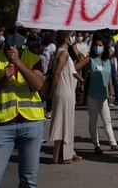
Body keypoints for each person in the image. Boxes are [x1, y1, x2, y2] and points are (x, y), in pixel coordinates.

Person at [0, 38, 45, 187]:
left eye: (21, 32)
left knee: (29, 182)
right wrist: (3, 79)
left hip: (32, 124)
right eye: (11, 32)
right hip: (1, 127)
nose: (16, 36)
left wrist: (18, 62)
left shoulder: (33, 58)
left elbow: (38, 84)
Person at [75, 33, 118, 154]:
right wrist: (82, 80)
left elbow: (110, 79)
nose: (98, 47)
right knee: (93, 121)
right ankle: (96, 145)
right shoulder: (89, 59)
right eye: (96, 45)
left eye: (100, 45)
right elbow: (74, 68)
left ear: (105, 47)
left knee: (107, 121)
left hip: (104, 95)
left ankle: (113, 144)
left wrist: (111, 93)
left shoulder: (107, 60)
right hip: (92, 95)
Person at [49, 31, 82, 164]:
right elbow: (57, 74)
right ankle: (63, 155)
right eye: (71, 36)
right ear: (65, 38)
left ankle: (61, 155)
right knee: (65, 122)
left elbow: (72, 70)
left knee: (63, 121)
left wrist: (81, 79)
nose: (73, 38)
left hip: (63, 90)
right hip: (64, 90)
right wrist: (52, 91)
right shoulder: (64, 53)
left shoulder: (59, 52)